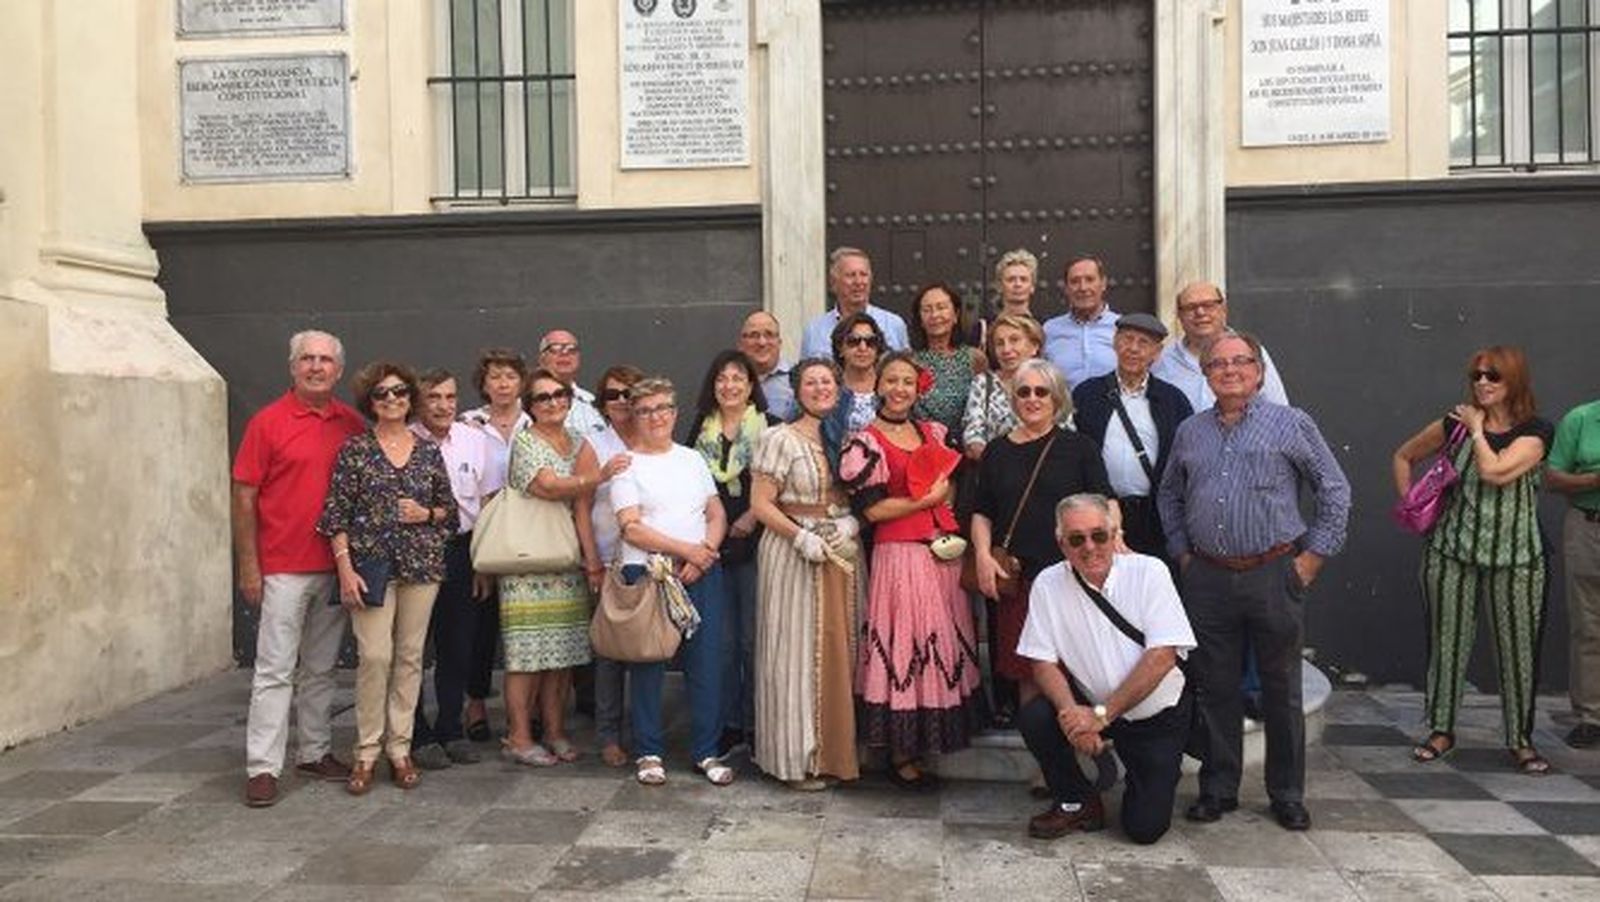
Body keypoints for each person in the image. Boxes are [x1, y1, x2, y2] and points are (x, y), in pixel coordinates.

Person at [1158, 332, 1350, 831]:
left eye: (1240, 361)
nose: (1229, 370)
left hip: (1273, 572)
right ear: (1205, 375)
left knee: (1280, 688)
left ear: (1259, 371)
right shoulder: (1191, 431)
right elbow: (1169, 495)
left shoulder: (1291, 423)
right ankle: (1219, 788)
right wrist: (1182, 553)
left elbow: (1334, 489)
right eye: (1217, 364)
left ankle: (1286, 793)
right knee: (1214, 686)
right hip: (1207, 576)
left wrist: (1312, 558)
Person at [1393, 346, 1554, 773]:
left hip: (1517, 558)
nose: (1482, 382)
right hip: (1452, 554)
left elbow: (1495, 472)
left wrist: (1478, 430)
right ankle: (1441, 730)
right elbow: (1404, 456)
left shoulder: (1536, 431)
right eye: (1477, 375)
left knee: (1519, 651)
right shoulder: (1453, 424)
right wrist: (1416, 511)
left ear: (1514, 381)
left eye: (1493, 376)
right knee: (1446, 644)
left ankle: (1520, 740)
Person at [1017, 494, 1197, 844]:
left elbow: (1162, 657)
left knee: (1144, 829)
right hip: (1095, 706)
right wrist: (1072, 717)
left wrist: (1100, 716)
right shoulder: (1047, 584)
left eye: (1099, 536)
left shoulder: (1150, 572)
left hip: (1154, 716)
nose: (1089, 547)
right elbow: (1042, 661)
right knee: (1036, 715)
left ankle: (1148, 773)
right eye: (1076, 539)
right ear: (1061, 544)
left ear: (1115, 535)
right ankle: (1076, 799)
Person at [234, 330, 365, 808]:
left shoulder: (351, 423)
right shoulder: (267, 422)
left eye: (325, 360)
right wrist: (249, 565)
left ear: (338, 370)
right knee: (274, 669)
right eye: (306, 359)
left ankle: (314, 752)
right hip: (283, 566)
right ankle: (262, 767)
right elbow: (244, 495)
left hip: (335, 566)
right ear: (292, 367)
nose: (316, 367)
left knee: (322, 667)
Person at [841, 352, 984, 788]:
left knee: (938, 643)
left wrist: (943, 499)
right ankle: (901, 751)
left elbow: (950, 480)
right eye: (892, 380)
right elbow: (873, 510)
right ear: (879, 385)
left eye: (907, 381)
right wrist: (926, 501)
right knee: (906, 644)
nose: (900, 389)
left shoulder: (931, 431)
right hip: (900, 553)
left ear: (917, 387)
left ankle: (927, 743)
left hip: (940, 552)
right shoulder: (865, 442)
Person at [318, 361, 459, 795]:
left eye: (399, 392)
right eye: (382, 393)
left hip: (421, 567)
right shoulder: (355, 450)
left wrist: (425, 513)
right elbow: (335, 515)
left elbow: (450, 514)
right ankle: (366, 751)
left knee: (411, 656)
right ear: (370, 401)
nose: (392, 399)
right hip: (370, 570)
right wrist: (345, 569)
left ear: (410, 398)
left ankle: (400, 749)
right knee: (375, 656)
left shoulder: (428, 451)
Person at [972, 359, 1113, 724]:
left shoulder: (1079, 447)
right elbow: (982, 512)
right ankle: (1044, 752)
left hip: (1074, 577)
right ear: (1013, 399)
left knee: (1080, 665)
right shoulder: (996, 451)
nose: (1032, 399)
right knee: (1029, 671)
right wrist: (983, 556)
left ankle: (1084, 737)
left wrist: (1115, 544)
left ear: (1057, 399)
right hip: (1021, 579)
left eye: (1041, 391)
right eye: (1024, 392)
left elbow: (1105, 501)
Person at [612, 377, 735, 786]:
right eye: (646, 410)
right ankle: (648, 751)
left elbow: (716, 514)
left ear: (675, 412)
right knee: (649, 662)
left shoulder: (692, 459)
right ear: (634, 416)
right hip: (650, 574)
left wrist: (705, 553)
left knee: (707, 661)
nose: (656, 417)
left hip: (700, 572)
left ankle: (706, 751)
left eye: (663, 408)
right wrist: (687, 551)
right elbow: (632, 528)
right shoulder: (626, 465)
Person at [749, 358, 864, 789]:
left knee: (841, 649)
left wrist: (852, 522)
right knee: (795, 654)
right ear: (797, 391)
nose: (820, 389)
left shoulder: (848, 438)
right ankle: (796, 760)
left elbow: (862, 497)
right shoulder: (779, 438)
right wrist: (800, 537)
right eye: (811, 383)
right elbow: (761, 504)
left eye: (827, 381)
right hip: (792, 554)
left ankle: (836, 755)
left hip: (841, 550)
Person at [498, 369, 604, 766]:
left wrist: (591, 560)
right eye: (542, 397)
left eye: (559, 394)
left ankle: (555, 732)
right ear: (530, 406)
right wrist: (597, 476)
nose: (553, 402)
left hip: (565, 559)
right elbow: (547, 486)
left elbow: (582, 504)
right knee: (526, 657)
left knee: (561, 655)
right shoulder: (525, 440)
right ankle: (519, 736)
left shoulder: (578, 441)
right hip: (527, 562)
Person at [684, 350, 779, 757]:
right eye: (722, 378)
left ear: (751, 385)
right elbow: (689, 486)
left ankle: (757, 724)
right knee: (720, 644)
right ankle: (727, 724)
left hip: (757, 546)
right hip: (711, 550)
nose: (730, 385)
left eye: (738, 378)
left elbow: (782, 484)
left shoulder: (771, 428)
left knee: (754, 642)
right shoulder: (699, 429)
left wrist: (754, 516)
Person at [408, 369, 492, 770]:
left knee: (457, 646)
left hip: (462, 551)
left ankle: (450, 728)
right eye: (433, 398)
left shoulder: (475, 440)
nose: (443, 406)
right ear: (418, 402)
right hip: (416, 552)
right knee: (412, 648)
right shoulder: (403, 441)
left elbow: (487, 504)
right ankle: (415, 733)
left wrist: (483, 563)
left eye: (450, 397)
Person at [1071, 313, 1194, 562]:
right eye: (1127, 339)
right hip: (1099, 514)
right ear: (1115, 342)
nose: (1133, 349)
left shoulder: (1173, 400)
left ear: (1156, 352)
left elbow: (1187, 459)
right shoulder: (1087, 394)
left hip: (1155, 518)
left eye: (1143, 343)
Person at [458, 347, 531, 742]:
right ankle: (476, 702)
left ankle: (529, 709)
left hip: (529, 532)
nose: (503, 384)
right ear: (483, 384)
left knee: (526, 622)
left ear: (522, 382)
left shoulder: (535, 420)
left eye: (510, 376)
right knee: (481, 624)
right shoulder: (468, 425)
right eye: (495, 377)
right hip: (483, 532)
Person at [585, 364, 644, 767]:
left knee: (644, 647)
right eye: (612, 395)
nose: (621, 401)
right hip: (608, 558)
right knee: (608, 653)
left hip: (649, 560)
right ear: (602, 404)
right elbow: (581, 505)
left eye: (629, 393)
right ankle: (608, 734)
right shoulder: (595, 443)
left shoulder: (654, 438)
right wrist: (592, 559)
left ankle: (644, 732)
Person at [1547, 395, 1600, 749]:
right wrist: (1594, 479)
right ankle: (1591, 718)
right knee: (1588, 624)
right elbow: (1552, 478)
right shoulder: (1580, 419)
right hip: (1587, 526)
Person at [1153, 281, 1288, 410]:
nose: (1200, 312)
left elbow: (1279, 409)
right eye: (1190, 307)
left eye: (1208, 305)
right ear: (1179, 316)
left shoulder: (1250, 352)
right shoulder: (1162, 359)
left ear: (1223, 309)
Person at [963, 312, 1045, 462]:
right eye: (1000, 343)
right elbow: (972, 435)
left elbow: (1065, 430)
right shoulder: (983, 383)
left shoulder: (1050, 383)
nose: (1006, 349)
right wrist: (1002, 463)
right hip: (994, 468)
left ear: (1034, 347)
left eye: (1014, 340)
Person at [801, 247, 910, 358]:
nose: (858, 282)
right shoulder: (814, 330)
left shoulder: (893, 325)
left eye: (863, 274)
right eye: (851, 275)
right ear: (834, 283)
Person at [909, 282, 984, 439]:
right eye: (927, 310)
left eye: (941, 307)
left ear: (955, 315)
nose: (935, 315)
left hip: (966, 444)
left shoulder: (974, 358)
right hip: (922, 443)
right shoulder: (910, 362)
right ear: (920, 319)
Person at [1041, 254, 1119, 389]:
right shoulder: (1049, 330)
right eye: (1075, 281)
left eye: (1090, 279)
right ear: (1066, 288)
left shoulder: (1122, 327)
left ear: (1103, 284)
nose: (1083, 288)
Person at [539, 329, 608, 436]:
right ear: (541, 359)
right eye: (555, 348)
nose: (564, 353)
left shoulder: (591, 403)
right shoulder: (527, 402)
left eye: (571, 349)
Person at [831, 312, 887, 433]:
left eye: (870, 341)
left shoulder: (890, 386)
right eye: (854, 341)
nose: (863, 348)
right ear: (840, 348)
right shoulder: (829, 389)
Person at [738, 310, 796, 422]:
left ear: (779, 342)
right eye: (754, 335)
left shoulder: (798, 380)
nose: (762, 342)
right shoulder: (728, 383)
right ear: (741, 344)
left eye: (769, 335)